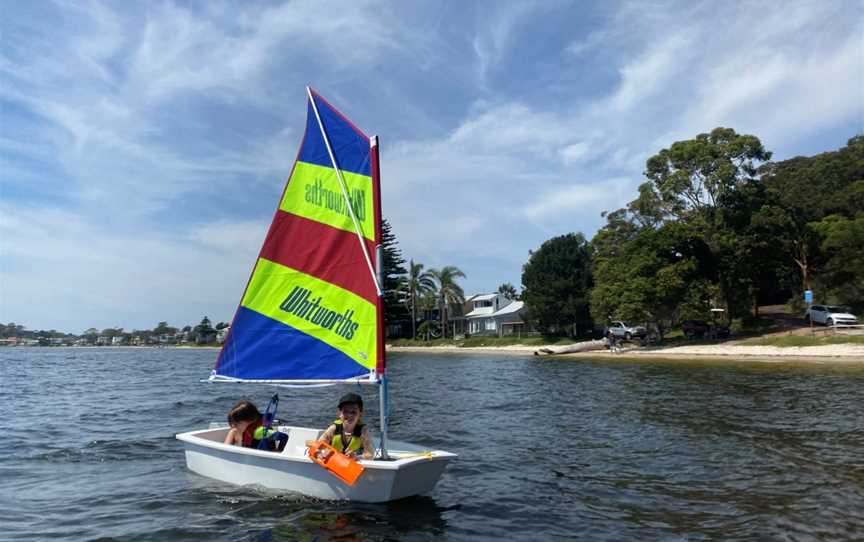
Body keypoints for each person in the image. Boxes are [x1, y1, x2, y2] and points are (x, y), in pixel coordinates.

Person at [318, 392, 374, 459]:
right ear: (339, 413)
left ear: (360, 414)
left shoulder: (363, 432)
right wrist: (323, 452)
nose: (349, 415)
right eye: (345, 411)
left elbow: (370, 455)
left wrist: (356, 457)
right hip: (333, 463)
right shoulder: (333, 429)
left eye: (353, 412)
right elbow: (318, 446)